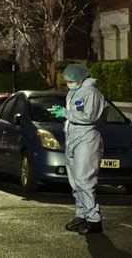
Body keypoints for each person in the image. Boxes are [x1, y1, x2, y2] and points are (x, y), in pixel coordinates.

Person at [49, 64, 107, 235]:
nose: (68, 83)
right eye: (67, 81)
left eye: (71, 81)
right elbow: (77, 113)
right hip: (74, 140)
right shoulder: (74, 93)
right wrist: (65, 114)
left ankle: (93, 219)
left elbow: (89, 117)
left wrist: (66, 113)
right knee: (75, 182)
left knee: (84, 180)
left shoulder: (91, 93)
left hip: (87, 140)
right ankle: (82, 214)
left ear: (80, 79)